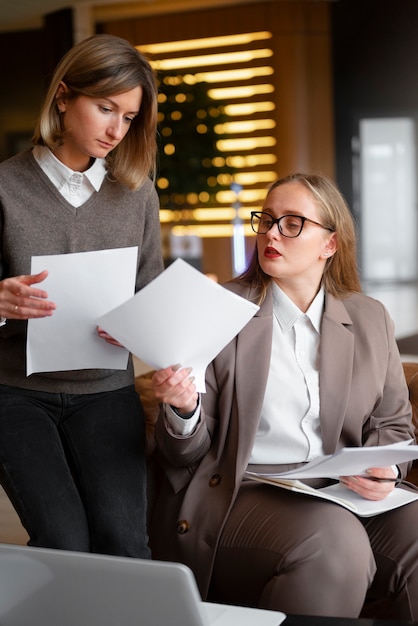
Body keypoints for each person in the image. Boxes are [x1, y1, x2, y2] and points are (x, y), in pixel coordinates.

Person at [149, 173, 418, 620]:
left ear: (329, 245)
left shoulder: (370, 317)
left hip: (339, 490)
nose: (272, 233)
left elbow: (392, 423)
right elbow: (183, 455)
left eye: (292, 223)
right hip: (240, 490)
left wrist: (382, 466)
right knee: (334, 541)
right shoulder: (218, 311)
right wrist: (183, 409)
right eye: (267, 220)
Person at [0, 33, 163, 558]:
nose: (117, 130)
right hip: (14, 394)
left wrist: (144, 323)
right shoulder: (4, 187)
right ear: (64, 97)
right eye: (106, 108)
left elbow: (151, 293)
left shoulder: (136, 193)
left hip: (106, 391)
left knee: (125, 542)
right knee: (64, 541)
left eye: (130, 117)